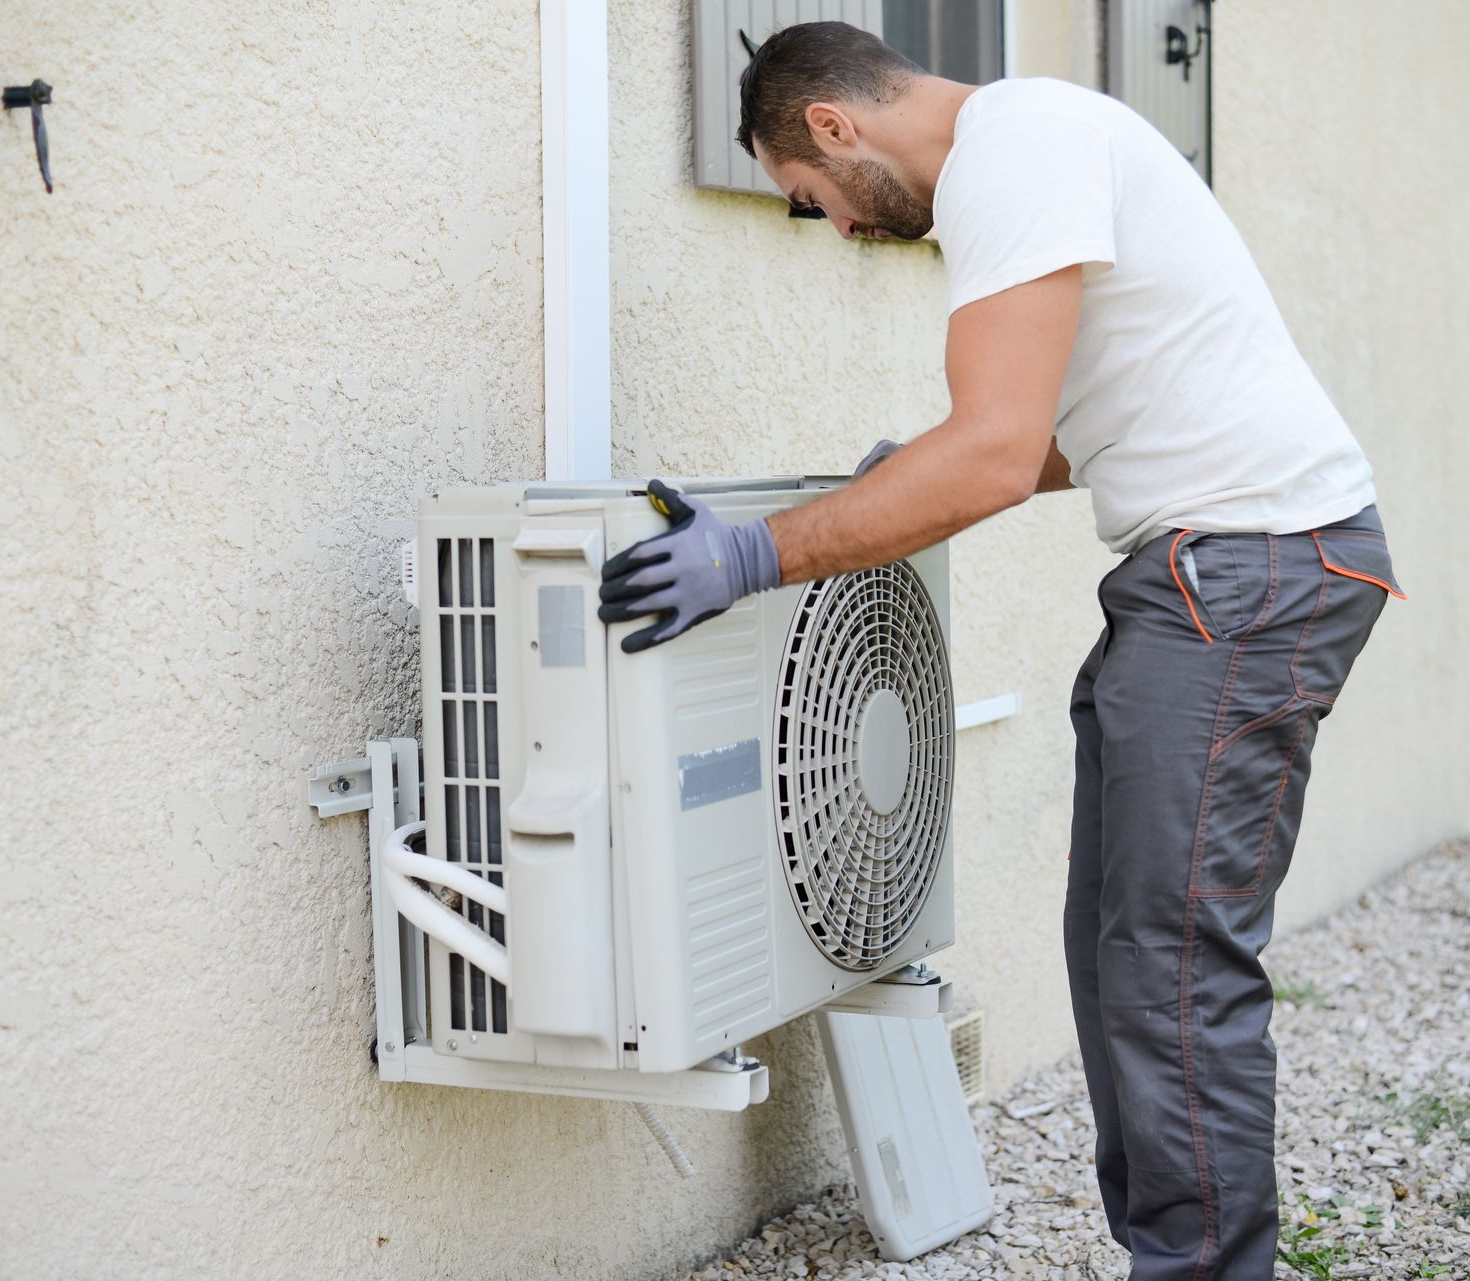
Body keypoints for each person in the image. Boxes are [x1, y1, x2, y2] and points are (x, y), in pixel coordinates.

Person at [595, 20, 1406, 1279]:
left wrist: (755, 554)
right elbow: (1079, 435)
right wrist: (908, 481)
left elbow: (985, 450)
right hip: (1227, 571)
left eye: (811, 204)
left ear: (833, 127)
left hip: (1242, 578)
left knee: (1170, 969)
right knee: (1119, 949)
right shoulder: (1043, 143)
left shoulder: (1012, 155)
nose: (841, 231)